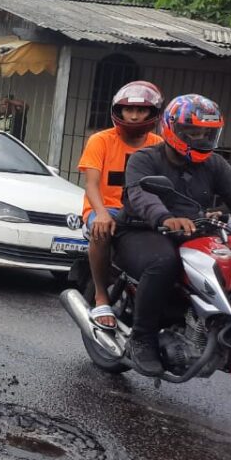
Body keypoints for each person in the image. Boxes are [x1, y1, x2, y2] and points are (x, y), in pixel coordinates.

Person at [116, 94, 231, 375]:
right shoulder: (145, 158)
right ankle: (142, 338)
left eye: (206, 133)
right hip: (142, 229)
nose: (200, 138)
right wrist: (165, 217)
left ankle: (211, 328)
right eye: (192, 131)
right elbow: (140, 195)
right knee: (163, 262)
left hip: (193, 231)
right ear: (172, 129)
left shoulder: (215, 164)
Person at [76, 81, 163, 331]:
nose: (134, 115)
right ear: (118, 111)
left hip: (145, 211)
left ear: (152, 113)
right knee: (101, 231)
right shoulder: (100, 140)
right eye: (128, 110)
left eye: (141, 110)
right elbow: (91, 184)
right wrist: (100, 213)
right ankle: (101, 297)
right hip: (109, 209)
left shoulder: (158, 144)